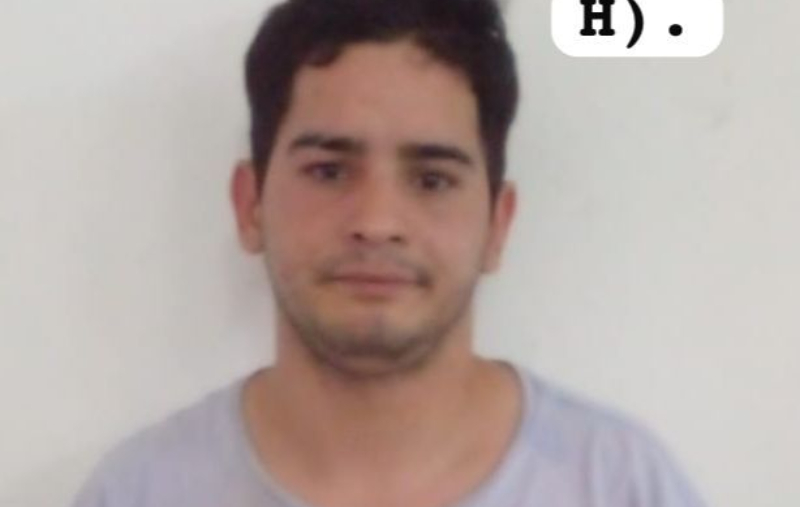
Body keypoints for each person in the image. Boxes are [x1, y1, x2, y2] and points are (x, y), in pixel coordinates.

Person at [71, 0, 708, 506]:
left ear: (498, 224)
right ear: (249, 205)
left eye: (432, 179)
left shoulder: (621, 486)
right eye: (328, 172)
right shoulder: (139, 492)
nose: (377, 222)